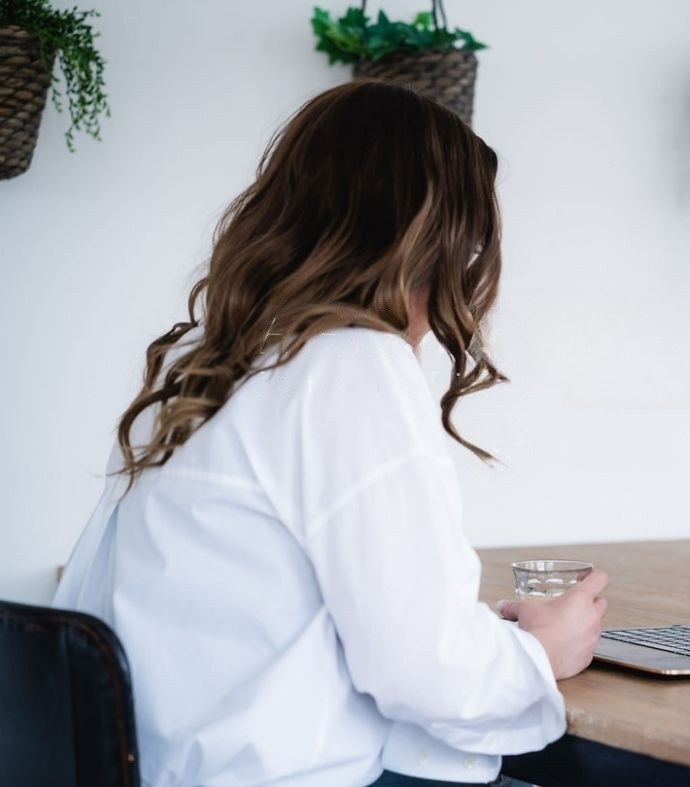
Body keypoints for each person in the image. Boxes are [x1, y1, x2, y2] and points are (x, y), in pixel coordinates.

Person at [53, 80, 609, 787]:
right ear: (437, 242)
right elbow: (426, 672)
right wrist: (543, 651)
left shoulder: (199, 362)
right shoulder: (350, 364)